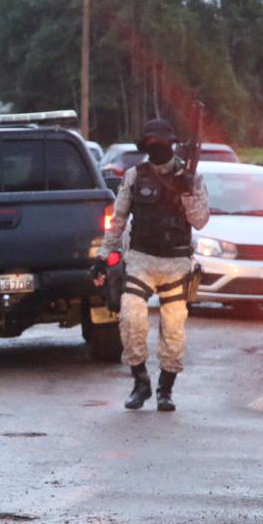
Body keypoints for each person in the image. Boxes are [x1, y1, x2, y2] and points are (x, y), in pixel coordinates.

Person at [93, 118, 209, 411]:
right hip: (141, 259)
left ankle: (166, 389)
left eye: (160, 144)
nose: (155, 150)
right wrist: (103, 257)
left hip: (176, 262)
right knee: (131, 319)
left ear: (171, 144)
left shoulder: (191, 178)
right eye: (150, 145)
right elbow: (118, 220)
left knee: (173, 327)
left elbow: (201, 220)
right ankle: (140, 382)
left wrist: (186, 193)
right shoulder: (135, 176)